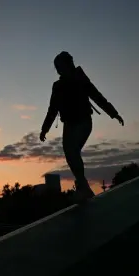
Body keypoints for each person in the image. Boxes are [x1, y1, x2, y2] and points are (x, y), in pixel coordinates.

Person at [40, 51, 124, 201]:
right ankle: (83, 187)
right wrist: (44, 129)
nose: (59, 70)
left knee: (72, 151)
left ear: (68, 65)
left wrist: (113, 113)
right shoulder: (57, 86)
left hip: (83, 121)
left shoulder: (80, 78)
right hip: (68, 124)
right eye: (56, 68)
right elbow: (52, 109)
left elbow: (96, 96)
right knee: (70, 153)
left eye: (60, 66)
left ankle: (82, 187)